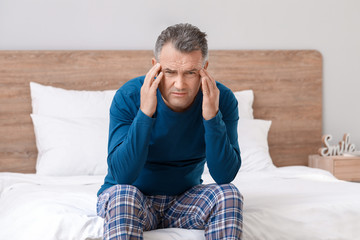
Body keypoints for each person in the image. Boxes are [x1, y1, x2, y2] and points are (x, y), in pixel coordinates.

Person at [97, 23, 243, 240]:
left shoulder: (221, 99)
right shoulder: (128, 97)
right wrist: (145, 113)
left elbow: (224, 175)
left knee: (229, 195)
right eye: (170, 72)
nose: (179, 84)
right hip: (132, 198)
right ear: (155, 66)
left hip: (184, 201)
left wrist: (212, 117)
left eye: (190, 72)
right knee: (122, 195)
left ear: (205, 68)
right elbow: (122, 175)